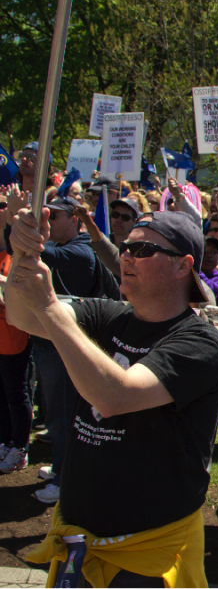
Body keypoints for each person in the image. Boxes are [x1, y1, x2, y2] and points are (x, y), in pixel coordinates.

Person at [7, 209, 218, 587]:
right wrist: (22, 259)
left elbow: (114, 396)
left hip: (146, 556)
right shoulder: (109, 315)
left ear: (183, 266)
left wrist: (48, 306)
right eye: (126, 246)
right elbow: (21, 316)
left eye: (143, 249)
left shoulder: (201, 343)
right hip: (79, 539)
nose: (126, 254)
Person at [4, 192, 102, 503]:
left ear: (74, 219)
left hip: (64, 346)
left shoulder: (80, 252)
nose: (49, 221)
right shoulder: (64, 248)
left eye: (53, 216)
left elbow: (33, 253)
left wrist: (16, 225)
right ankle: (62, 467)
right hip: (48, 342)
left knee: (64, 414)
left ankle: (66, 478)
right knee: (57, 413)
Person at [0, 203, 32, 473]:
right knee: (2, 393)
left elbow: (21, 292)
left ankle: (20, 448)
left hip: (15, 336)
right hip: (1, 336)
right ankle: (5, 440)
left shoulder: (18, 254)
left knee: (16, 392)